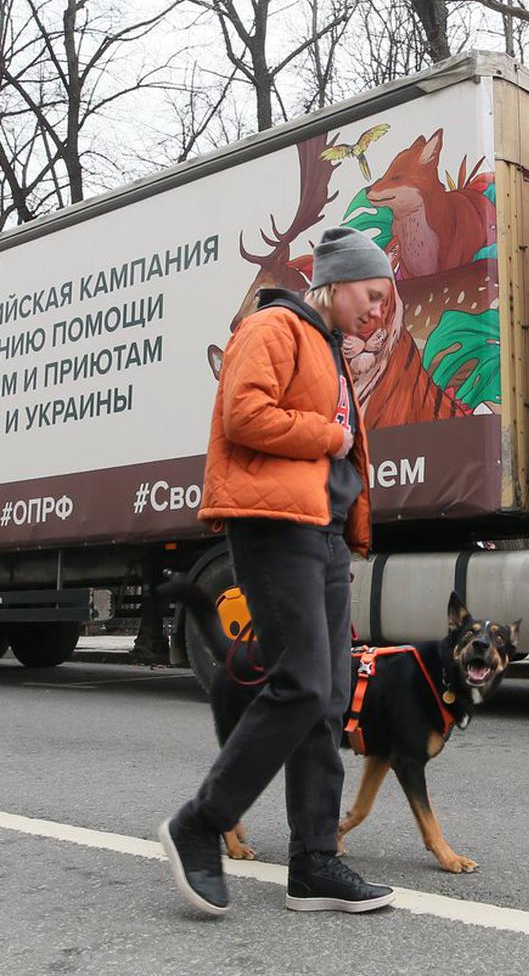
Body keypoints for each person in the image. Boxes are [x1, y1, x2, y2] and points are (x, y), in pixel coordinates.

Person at [159, 227, 396, 917]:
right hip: (272, 528)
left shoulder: (326, 346)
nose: (380, 312)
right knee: (297, 687)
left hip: (320, 533)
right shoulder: (272, 326)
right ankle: (198, 823)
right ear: (336, 283)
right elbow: (244, 414)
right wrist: (331, 436)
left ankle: (315, 862)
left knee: (326, 699)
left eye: (386, 301)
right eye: (372, 295)